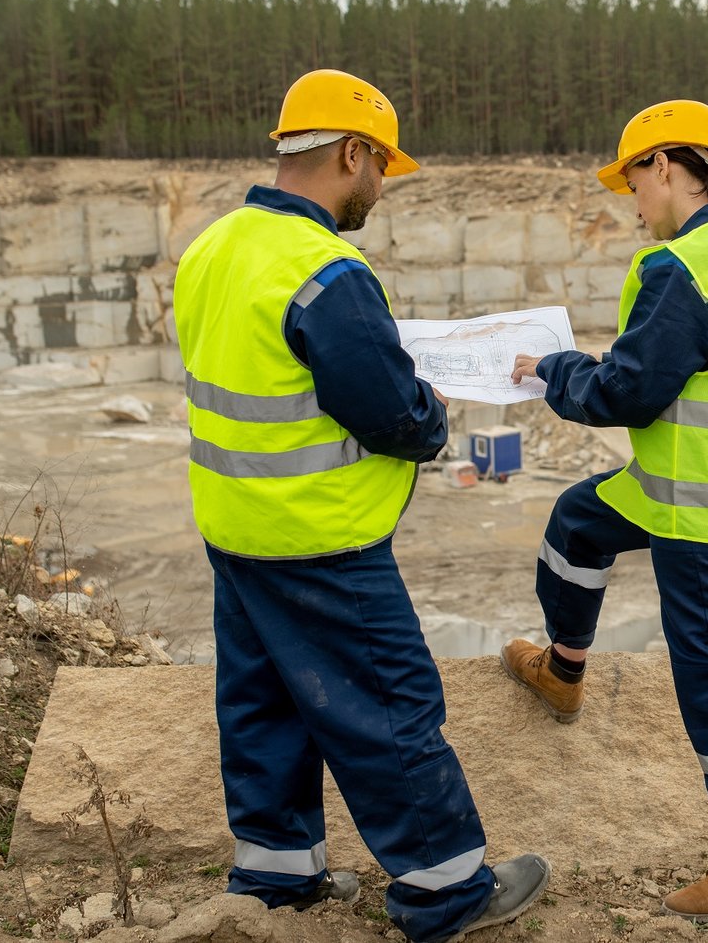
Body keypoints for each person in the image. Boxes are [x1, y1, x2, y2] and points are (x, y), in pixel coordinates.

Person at [172, 68, 548, 943]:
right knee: (388, 706)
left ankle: (275, 879)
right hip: (323, 536)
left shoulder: (214, 246)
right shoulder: (328, 271)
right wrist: (431, 406)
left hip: (237, 527)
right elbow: (396, 418)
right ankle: (447, 892)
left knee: (263, 703)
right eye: (380, 166)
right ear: (351, 153)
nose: (380, 186)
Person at [503, 99, 708, 924]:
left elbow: (625, 392)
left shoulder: (684, 269)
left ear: (665, 167)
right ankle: (563, 671)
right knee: (579, 522)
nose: (633, 204)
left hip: (693, 504)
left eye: (633, 181)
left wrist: (554, 369)